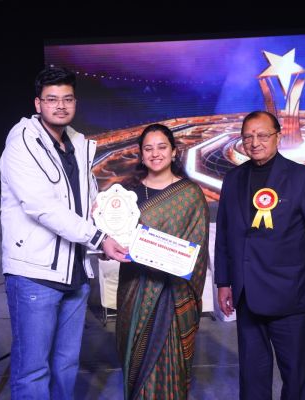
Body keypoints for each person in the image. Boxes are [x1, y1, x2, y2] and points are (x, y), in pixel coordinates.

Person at [0, 66, 128, 399]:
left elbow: (87, 201)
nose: (60, 106)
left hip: (75, 272)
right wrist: (100, 238)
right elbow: (42, 207)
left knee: (66, 364)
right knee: (33, 370)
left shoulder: (77, 143)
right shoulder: (22, 142)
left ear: (75, 102)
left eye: (67, 99)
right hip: (35, 273)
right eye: (52, 99)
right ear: (38, 103)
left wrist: (109, 224)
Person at [214, 110, 305, 400]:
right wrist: (223, 282)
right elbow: (225, 235)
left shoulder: (303, 178)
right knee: (252, 374)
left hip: (289, 293)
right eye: (248, 136)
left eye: (262, 135)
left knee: (295, 373)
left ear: (278, 136)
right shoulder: (233, 179)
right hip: (247, 294)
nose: (255, 142)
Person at [116, 123, 210, 399]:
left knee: (169, 358)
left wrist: (168, 258)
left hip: (172, 292)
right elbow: (116, 236)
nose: (155, 154)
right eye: (148, 148)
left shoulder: (190, 194)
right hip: (135, 288)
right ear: (141, 154)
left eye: (161, 147)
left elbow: (199, 247)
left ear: (174, 151)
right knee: (135, 355)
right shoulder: (127, 194)